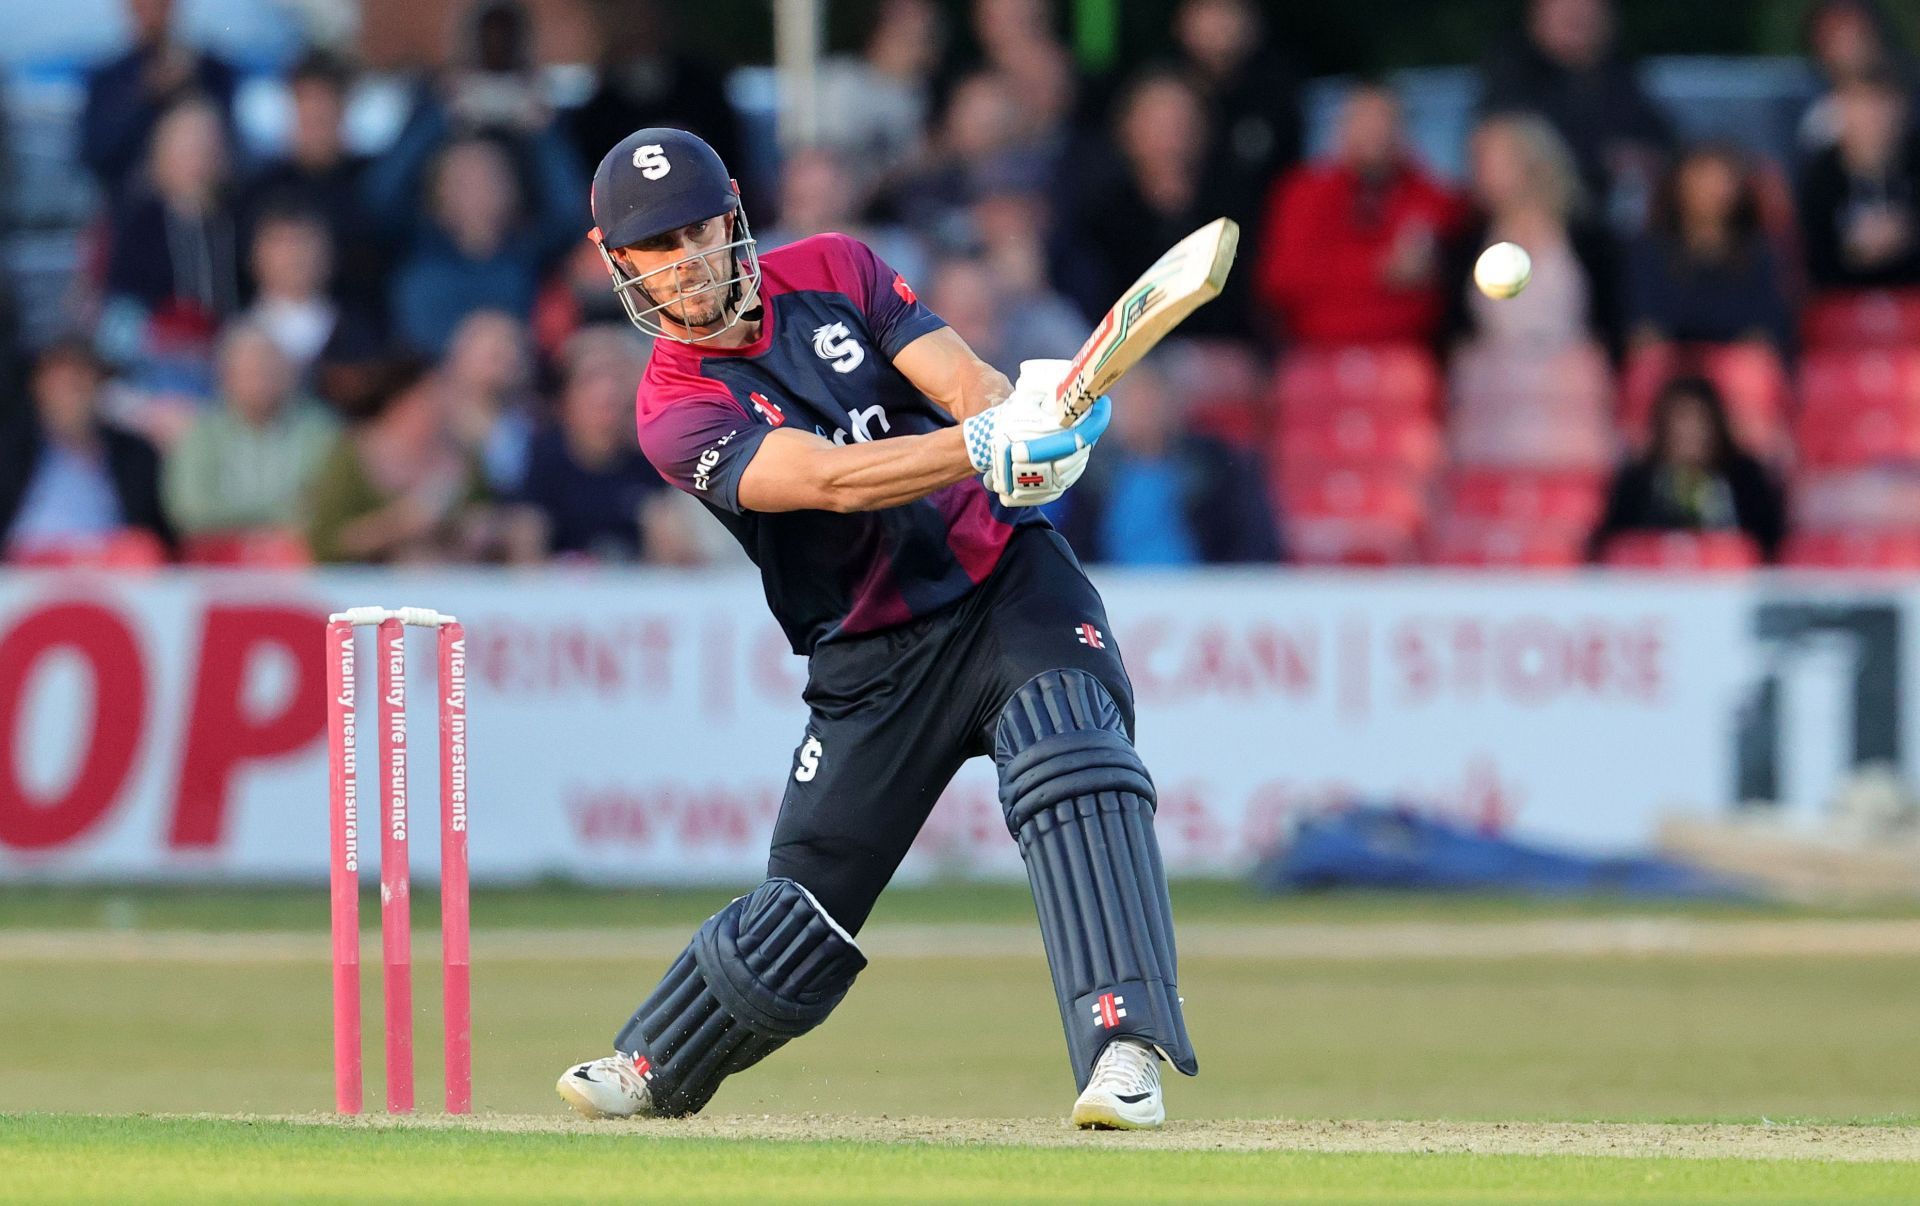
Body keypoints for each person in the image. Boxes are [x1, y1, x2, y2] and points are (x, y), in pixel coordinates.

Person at [554, 128, 1193, 1131]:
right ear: (618, 261)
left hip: (1004, 586)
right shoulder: (672, 408)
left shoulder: (835, 267)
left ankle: (1123, 1049)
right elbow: (826, 481)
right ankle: (654, 1063)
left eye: (695, 232)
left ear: (733, 222)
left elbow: (966, 382)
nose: (681, 263)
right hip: (868, 660)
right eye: (654, 248)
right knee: (797, 918)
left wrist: (1031, 432)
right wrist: (980, 445)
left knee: (1073, 759)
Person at [1255, 82, 1466, 346]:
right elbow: (1281, 279)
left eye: (1386, 121)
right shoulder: (1304, 193)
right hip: (1316, 350)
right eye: (1364, 121)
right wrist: (1377, 270)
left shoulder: (1430, 199)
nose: (1376, 133)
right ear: (1341, 129)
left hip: (1403, 351)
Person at [1052, 359, 1281, 565]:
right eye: (1131, 401)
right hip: (1116, 597)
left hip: (1201, 595)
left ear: (1171, 404)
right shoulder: (1089, 475)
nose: (1142, 411)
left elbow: (1248, 542)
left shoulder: (1215, 467)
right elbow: (1072, 550)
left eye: (1150, 399)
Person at [1479, 0, 1670, 226]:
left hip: (1613, 228)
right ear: (1537, 15)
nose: (1579, 19)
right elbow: (1514, 150)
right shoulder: (1512, 78)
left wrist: (1645, 158)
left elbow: (1660, 137)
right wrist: (1605, 159)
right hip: (1542, 223)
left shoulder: (1618, 75)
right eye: (1568, 13)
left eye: (1589, 11)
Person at [238, 50, 383, 318]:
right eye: (307, 112)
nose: (315, 124)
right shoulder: (260, 190)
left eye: (324, 114)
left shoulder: (372, 182)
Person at [162, 322, 338, 540]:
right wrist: (276, 518)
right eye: (250, 371)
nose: (260, 381)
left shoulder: (320, 428)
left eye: (269, 369)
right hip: (218, 557)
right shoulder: (201, 431)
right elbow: (190, 511)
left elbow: (325, 505)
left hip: (301, 553)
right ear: (226, 376)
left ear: (290, 375)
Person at [0, 339, 173, 558]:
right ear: (38, 387)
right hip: (21, 574)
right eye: (59, 384)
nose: (70, 397)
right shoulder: (9, 450)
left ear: (98, 385)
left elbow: (156, 533)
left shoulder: (135, 454)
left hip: (112, 572)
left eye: (78, 384)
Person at [1588, 376, 1786, 562]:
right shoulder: (1636, 482)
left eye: (1698, 421)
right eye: (1680, 421)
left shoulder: (1746, 478)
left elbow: (1771, 547)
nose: (1688, 432)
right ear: (1663, 427)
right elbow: (1610, 546)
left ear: (1716, 426)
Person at [1624, 145, 1794, 351]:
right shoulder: (1649, 250)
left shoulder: (1758, 252)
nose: (1710, 190)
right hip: (1670, 367)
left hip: (1736, 365)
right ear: (1678, 182)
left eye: (1720, 180)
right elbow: (1643, 325)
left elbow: (1767, 327)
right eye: (1701, 178)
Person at [79, 0, 237, 206]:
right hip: (131, 214)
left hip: (202, 212)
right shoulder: (107, 81)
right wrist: (143, 99)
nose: (151, 9)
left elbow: (228, 145)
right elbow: (95, 154)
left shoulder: (212, 73)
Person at [515, 350, 666, 560]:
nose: (607, 391)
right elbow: (526, 539)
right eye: (591, 380)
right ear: (565, 398)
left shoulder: (652, 459)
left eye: (616, 379)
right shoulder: (543, 457)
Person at [1800, 72, 1920, 288]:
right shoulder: (1820, 175)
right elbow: (1809, 256)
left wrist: (1907, 238)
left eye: (1880, 105)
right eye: (1861, 105)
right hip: (1842, 301)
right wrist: (1852, 252)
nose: (1871, 118)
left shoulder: (1913, 161)